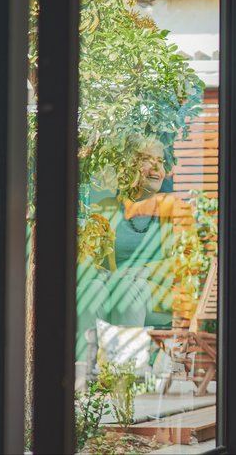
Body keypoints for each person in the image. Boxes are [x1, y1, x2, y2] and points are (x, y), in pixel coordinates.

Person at [76, 136, 194, 360]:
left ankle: (124, 377)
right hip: (114, 286)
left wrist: (140, 272)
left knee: (127, 290)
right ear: (128, 166)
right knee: (89, 290)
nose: (158, 169)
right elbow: (87, 259)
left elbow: (186, 262)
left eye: (160, 161)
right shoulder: (103, 210)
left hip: (162, 296)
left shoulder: (178, 211)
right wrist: (99, 274)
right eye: (148, 160)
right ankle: (83, 377)